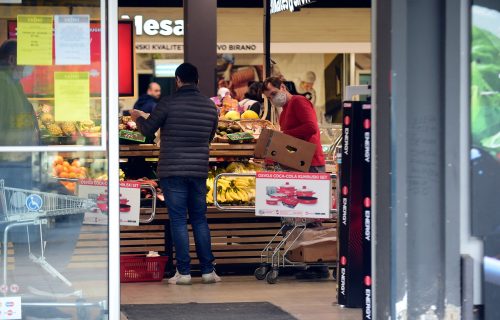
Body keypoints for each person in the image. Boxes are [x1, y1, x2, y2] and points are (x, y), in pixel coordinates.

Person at [130, 63, 220, 285]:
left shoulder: (168, 103)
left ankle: (184, 273)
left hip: (172, 170)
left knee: (179, 220)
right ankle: (208, 271)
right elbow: (210, 136)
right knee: (199, 219)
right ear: (197, 80)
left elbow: (148, 130)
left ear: (178, 80)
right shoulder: (210, 106)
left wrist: (137, 117)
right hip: (198, 170)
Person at [262, 76, 326, 173]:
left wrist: (282, 134)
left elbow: (311, 127)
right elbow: (291, 139)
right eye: (269, 98)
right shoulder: (283, 113)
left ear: (282, 87)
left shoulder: (298, 101)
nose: (273, 99)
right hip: (298, 162)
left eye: (274, 94)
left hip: (311, 164)